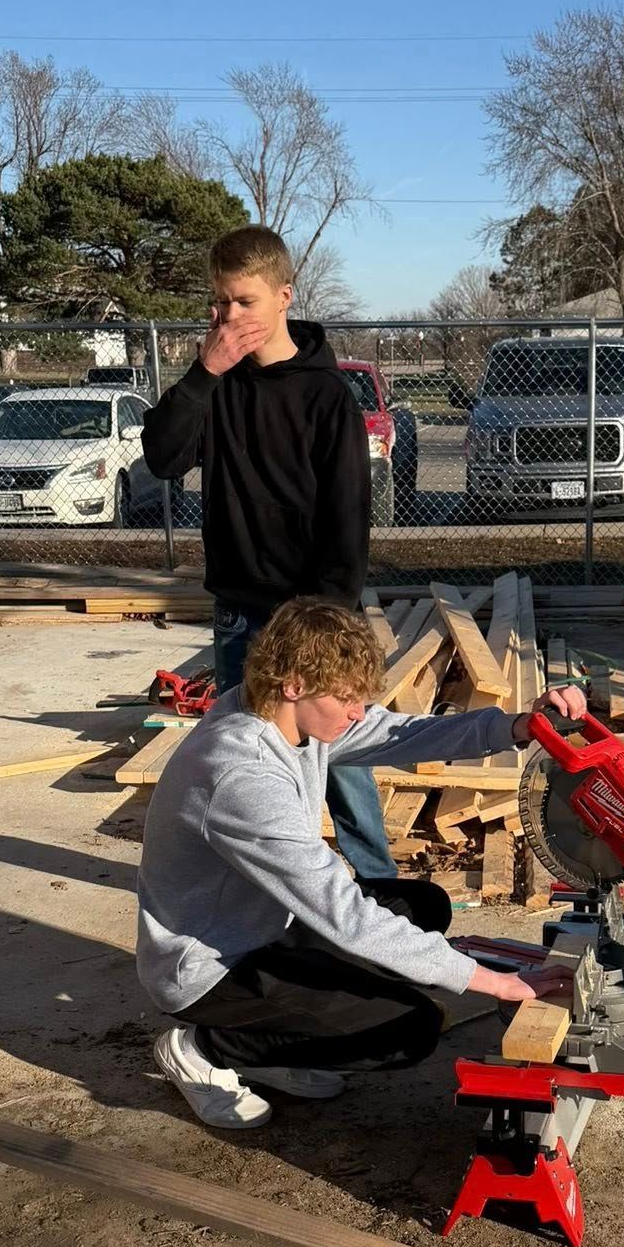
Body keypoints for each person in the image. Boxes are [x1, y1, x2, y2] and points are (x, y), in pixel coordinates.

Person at [137, 596, 578, 1131]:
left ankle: (279, 1049)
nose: (357, 714)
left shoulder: (279, 714)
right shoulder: (241, 776)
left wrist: (517, 727)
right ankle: (207, 1046)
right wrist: (492, 981)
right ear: (294, 685)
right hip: (211, 969)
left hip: (266, 926)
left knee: (424, 905)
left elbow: (402, 733)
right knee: (406, 1031)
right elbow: (343, 913)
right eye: (346, 699)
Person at [141, 223, 394, 881]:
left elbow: (348, 514)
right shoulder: (215, 384)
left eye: (244, 302)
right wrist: (204, 372)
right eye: (218, 303)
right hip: (240, 606)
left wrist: (330, 616)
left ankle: (377, 889)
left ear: (284, 296)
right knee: (242, 754)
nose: (229, 318)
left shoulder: (324, 395)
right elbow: (164, 458)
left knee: (339, 756)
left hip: (312, 607)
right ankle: (251, 884)